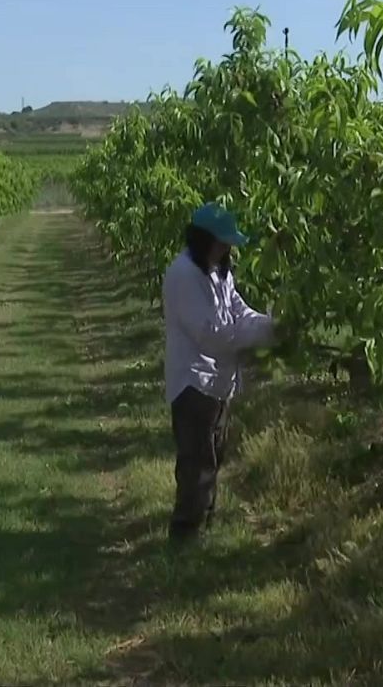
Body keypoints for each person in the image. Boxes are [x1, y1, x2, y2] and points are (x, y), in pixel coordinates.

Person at [162, 202, 276, 543]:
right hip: (194, 381)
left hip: (218, 384)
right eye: (221, 241)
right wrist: (261, 336)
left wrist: (272, 325)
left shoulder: (218, 270)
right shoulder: (184, 275)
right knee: (197, 462)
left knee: (213, 457)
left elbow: (239, 311)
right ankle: (185, 536)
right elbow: (209, 334)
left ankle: (202, 528)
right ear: (202, 240)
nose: (227, 248)